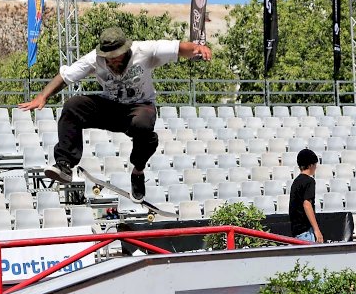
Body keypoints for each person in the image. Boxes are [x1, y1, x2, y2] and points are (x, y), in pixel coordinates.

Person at [18, 26, 212, 202]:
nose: (112, 62)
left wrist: (196, 48)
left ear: (126, 50)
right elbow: (65, 76)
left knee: (142, 126)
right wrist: (42, 96)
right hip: (110, 107)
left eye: (117, 57)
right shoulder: (93, 59)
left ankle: (138, 171)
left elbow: (178, 48)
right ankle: (64, 164)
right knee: (73, 106)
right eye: (108, 58)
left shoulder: (145, 50)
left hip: (140, 107)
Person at [289, 148, 324, 243]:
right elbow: (307, 204)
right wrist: (316, 229)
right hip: (306, 232)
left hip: (296, 231)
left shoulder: (295, 182)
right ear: (311, 165)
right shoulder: (309, 181)